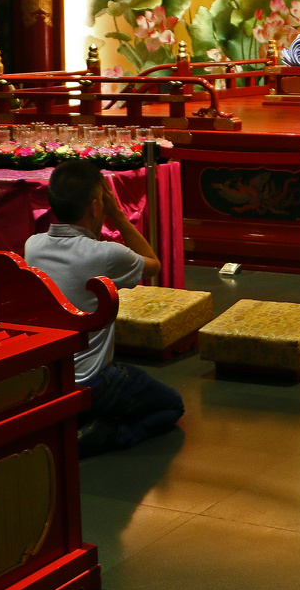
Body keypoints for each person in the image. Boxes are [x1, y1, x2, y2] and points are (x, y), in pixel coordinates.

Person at [25, 159, 184, 457]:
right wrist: (117, 214)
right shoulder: (107, 254)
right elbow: (153, 264)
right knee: (172, 405)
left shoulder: (32, 245)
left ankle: (81, 420)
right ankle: (106, 436)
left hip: (51, 378)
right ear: (96, 205)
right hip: (95, 382)